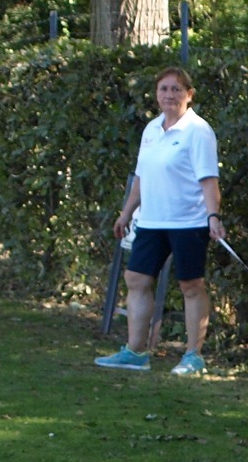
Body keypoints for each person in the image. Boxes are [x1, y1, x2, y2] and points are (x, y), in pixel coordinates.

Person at [95, 66, 224, 375]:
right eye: (164, 89)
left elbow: (209, 180)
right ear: (156, 94)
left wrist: (213, 216)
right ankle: (135, 352)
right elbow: (142, 176)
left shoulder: (198, 130)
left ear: (189, 95)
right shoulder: (152, 129)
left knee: (191, 285)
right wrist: (126, 212)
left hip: (189, 222)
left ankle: (193, 356)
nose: (169, 95)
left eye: (176, 89)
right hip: (151, 221)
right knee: (136, 280)